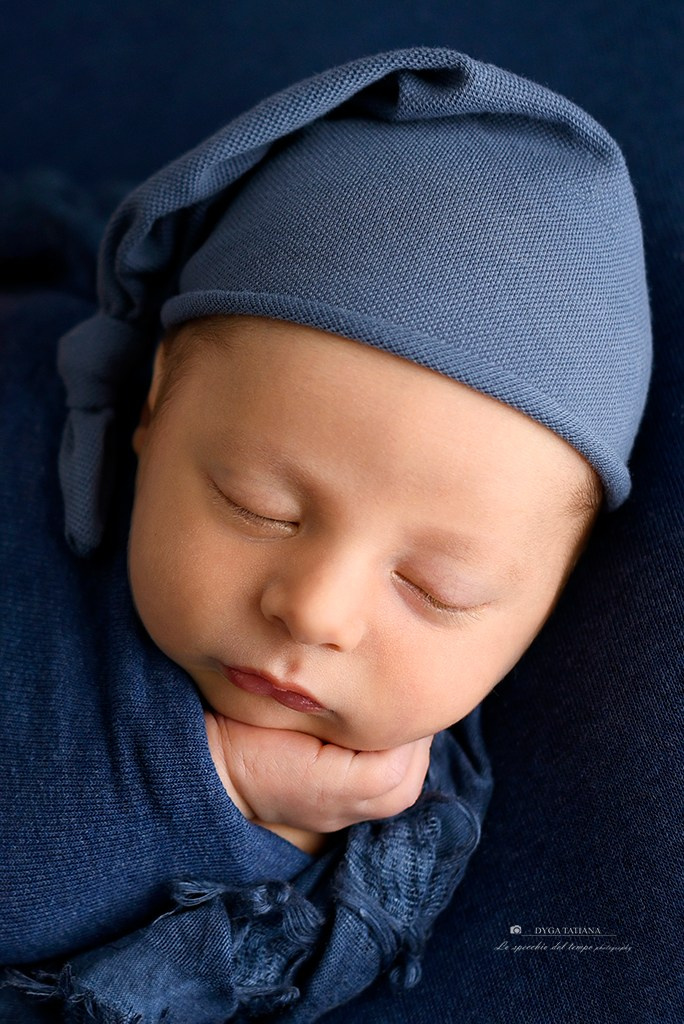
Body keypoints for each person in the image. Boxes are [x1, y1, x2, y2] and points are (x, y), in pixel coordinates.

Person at [0, 45, 650, 1022]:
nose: (313, 608)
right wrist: (221, 785)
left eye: (439, 588)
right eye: (257, 505)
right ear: (155, 399)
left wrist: (236, 808)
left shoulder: (396, 826)